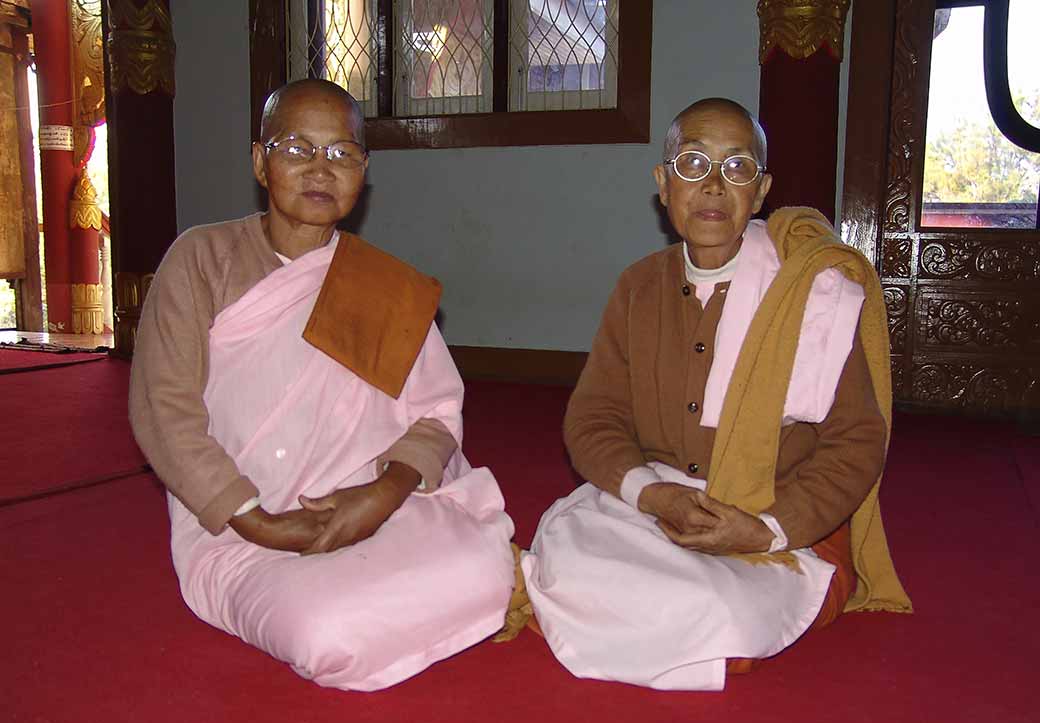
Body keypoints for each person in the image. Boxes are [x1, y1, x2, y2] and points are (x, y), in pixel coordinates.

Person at [129, 79, 515, 691]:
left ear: (364, 171)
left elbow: (437, 412)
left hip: (365, 506)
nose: (320, 170)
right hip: (238, 526)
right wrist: (260, 524)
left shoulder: (383, 284)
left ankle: (401, 578)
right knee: (323, 631)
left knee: (487, 565)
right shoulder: (200, 259)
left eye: (342, 154)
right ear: (260, 161)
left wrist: (383, 494)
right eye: (297, 149)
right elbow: (164, 410)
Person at [520, 98, 911, 691]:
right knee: (570, 548)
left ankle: (655, 621)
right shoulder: (639, 287)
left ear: (761, 191)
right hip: (653, 504)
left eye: (736, 169)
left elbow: (857, 441)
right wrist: (653, 495)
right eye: (693, 163)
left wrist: (767, 529)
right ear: (663, 183)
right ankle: (657, 621)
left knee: (724, 612)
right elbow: (593, 420)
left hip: (771, 520)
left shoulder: (811, 292)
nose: (712, 186)